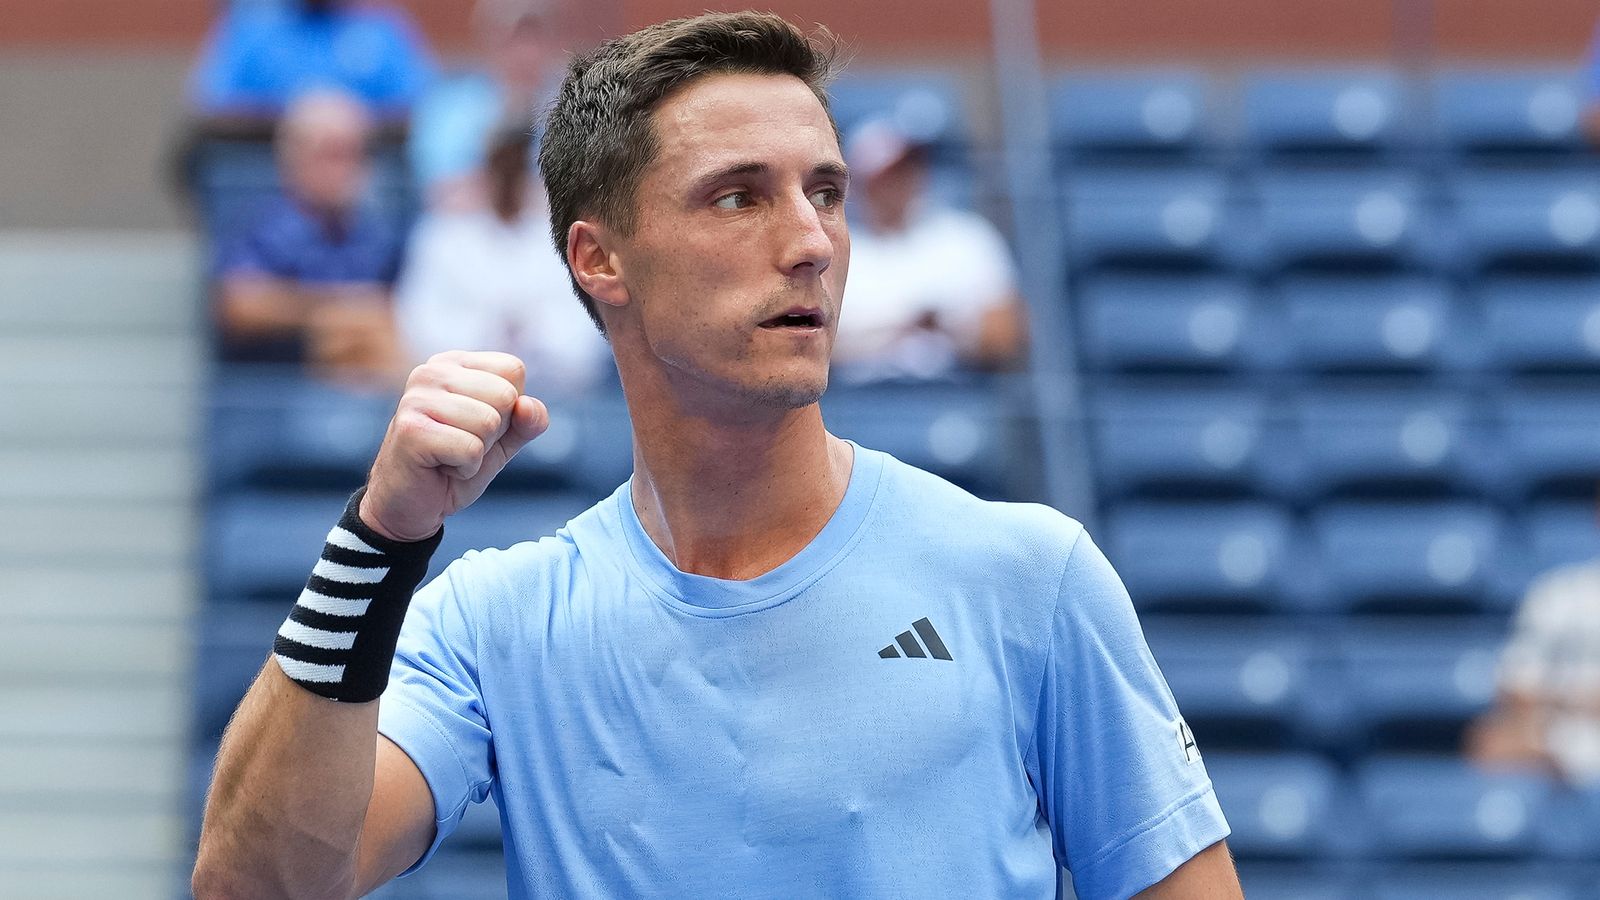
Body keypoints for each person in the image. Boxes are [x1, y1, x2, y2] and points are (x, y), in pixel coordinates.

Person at [192, 12, 1238, 899]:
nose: (812, 242)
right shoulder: (493, 624)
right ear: (599, 259)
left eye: (825, 192)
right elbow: (258, 883)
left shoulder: (1030, 578)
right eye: (739, 195)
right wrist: (379, 538)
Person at [395, 128, 609, 393]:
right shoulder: (443, 236)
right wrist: (492, 334)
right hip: (462, 390)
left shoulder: (564, 235)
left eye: (516, 166)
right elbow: (420, 320)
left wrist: (530, 334)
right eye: (501, 166)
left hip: (558, 390)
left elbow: (586, 327)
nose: (508, 179)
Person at [215, 89, 405, 382]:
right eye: (332, 153)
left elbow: (398, 307)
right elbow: (241, 305)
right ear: (293, 157)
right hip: (273, 387)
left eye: (356, 153)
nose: (346, 169)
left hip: (364, 381)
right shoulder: (261, 224)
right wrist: (336, 308)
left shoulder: (377, 233)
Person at [833, 116, 1027, 383]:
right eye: (889, 175)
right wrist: (898, 330)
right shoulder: (832, 247)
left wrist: (947, 326)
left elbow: (1008, 335)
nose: (903, 184)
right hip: (863, 397)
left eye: (910, 170)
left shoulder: (967, 237)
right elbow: (814, 348)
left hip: (955, 391)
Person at [1466, 494, 1600, 787]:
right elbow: (1517, 685)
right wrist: (1574, 701)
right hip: (1558, 741)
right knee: (1492, 741)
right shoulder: (1559, 593)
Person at [408, 0, 565, 209]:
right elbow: (440, 188)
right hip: (469, 218)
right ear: (490, 40)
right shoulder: (452, 104)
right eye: (514, 39)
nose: (525, 52)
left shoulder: (569, 104)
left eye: (535, 38)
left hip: (545, 218)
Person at [188, 0, 434, 122]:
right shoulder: (252, 29)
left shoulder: (382, 29)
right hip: (262, 180)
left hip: (371, 185)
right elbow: (211, 105)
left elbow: (424, 108)